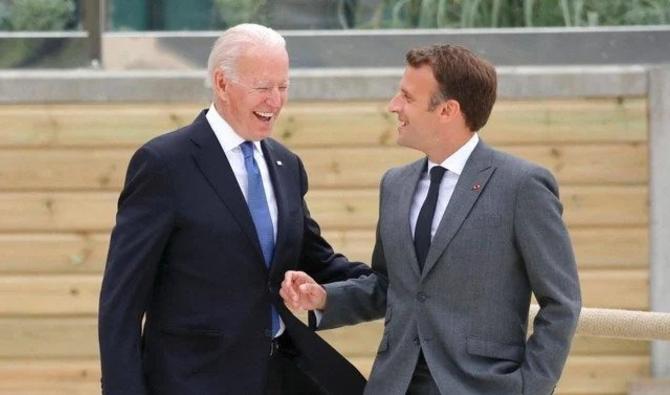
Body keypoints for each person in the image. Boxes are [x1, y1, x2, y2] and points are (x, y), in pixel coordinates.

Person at [280, 44, 582, 395]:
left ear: (447, 110)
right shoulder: (395, 184)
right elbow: (389, 285)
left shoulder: (522, 186)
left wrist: (530, 387)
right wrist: (324, 298)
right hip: (394, 384)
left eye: (407, 97)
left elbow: (562, 304)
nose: (394, 105)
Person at [98, 23, 371, 395]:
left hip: (279, 376)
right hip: (192, 382)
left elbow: (316, 262)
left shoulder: (285, 164)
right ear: (222, 84)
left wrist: (394, 282)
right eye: (262, 88)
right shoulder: (164, 164)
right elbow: (122, 304)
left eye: (283, 87)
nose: (275, 101)